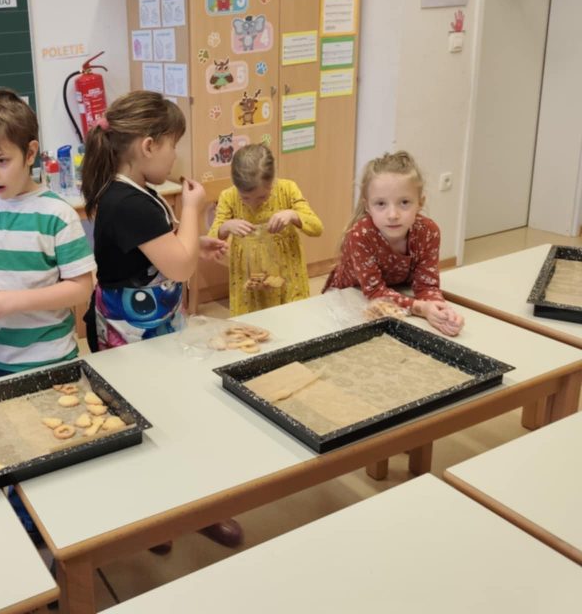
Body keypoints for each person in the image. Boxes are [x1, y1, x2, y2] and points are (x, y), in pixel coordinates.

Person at [80, 91, 240, 551]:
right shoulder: (124, 201)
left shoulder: (136, 192)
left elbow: (162, 249)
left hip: (154, 325)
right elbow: (180, 267)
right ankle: (156, 514)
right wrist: (193, 210)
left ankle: (186, 506)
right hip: (132, 332)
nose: (175, 156)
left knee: (172, 411)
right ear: (148, 146)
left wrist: (195, 240)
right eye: (174, 145)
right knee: (148, 418)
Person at [0, 88, 96, 380]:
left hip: (49, 356)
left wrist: (15, 300)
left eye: (1, 160)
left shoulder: (57, 215)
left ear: (29, 153)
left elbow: (81, 288)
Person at [324, 150, 464, 336]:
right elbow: (375, 292)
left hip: (398, 295)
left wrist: (440, 311)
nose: (392, 215)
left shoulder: (428, 232)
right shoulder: (360, 235)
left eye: (404, 202)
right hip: (349, 298)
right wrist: (421, 308)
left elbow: (427, 285)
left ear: (420, 202)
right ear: (367, 206)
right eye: (381, 204)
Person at [209, 144, 322, 315]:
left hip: (287, 273)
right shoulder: (228, 197)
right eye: (245, 198)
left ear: (273, 180)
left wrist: (293, 215)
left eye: (262, 196)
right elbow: (211, 239)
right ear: (235, 185)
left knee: (292, 317)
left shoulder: (287, 189)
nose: (253, 203)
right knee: (251, 321)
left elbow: (317, 227)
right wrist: (226, 227)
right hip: (247, 276)